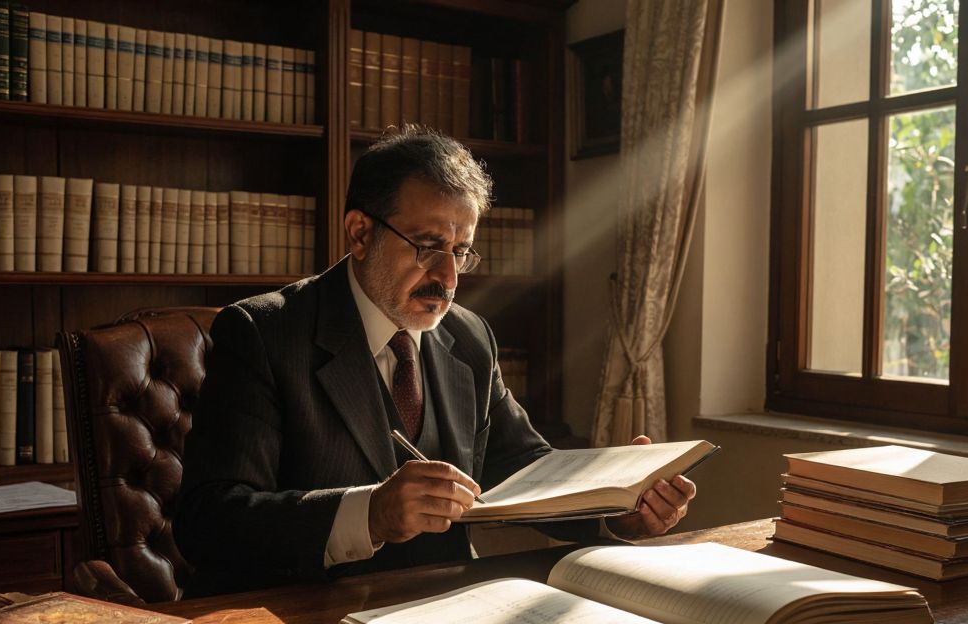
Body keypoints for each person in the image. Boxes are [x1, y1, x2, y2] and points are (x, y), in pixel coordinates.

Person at [174, 126, 696, 594]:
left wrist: (618, 507)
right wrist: (369, 515)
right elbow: (209, 522)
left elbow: (524, 470)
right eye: (427, 245)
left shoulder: (469, 337)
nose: (448, 278)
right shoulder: (262, 332)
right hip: (300, 619)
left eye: (461, 250)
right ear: (360, 233)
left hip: (446, 610)